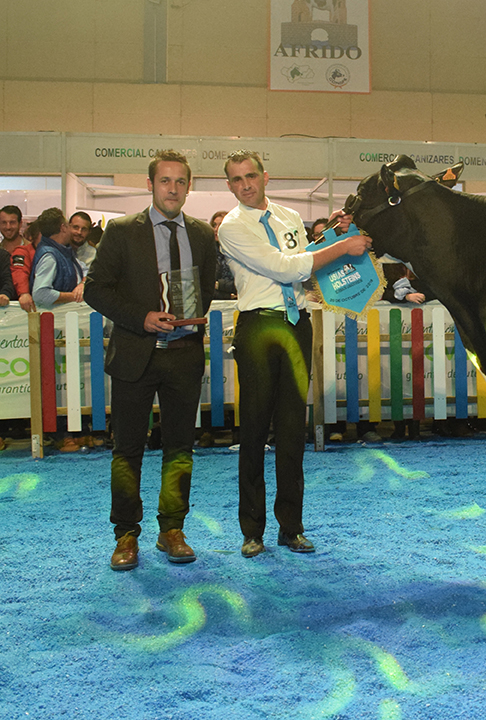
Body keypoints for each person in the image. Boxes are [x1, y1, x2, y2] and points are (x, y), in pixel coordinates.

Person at [217, 150, 372, 558]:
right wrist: (341, 249)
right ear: (229, 186)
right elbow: (286, 268)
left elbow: (306, 262)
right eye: (236, 180)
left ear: (266, 176)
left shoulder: (287, 217)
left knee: (291, 431)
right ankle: (252, 531)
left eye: (251, 175)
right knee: (253, 431)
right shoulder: (231, 227)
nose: (245, 184)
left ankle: (292, 528)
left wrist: (335, 237)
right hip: (258, 326)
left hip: (296, 322)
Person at [83, 150, 218, 572]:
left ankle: (172, 530)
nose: (173, 188)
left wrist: (189, 320)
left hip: (184, 357)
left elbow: (207, 285)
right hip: (134, 357)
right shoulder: (122, 232)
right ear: (150, 185)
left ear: (188, 187)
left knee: (180, 448)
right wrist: (141, 318)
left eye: (180, 181)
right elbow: (94, 290)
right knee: (127, 451)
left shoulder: (201, 234)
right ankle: (125, 535)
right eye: (165, 181)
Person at [30, 208, 85, 311]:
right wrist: (74, 296)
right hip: (54, 320)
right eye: (68, 225)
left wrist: (82, 284)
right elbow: (40, 294)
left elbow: (84, 271)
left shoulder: (63, 252)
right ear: (63, 227)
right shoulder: (49, 256)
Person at [11, 221, 40, 312]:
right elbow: (19, 271)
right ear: (33, 237)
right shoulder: (23, 252)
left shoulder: (60, 252)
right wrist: (24, 293)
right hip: (28, 302)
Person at [209, 210, 237, 299]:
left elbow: (244, 284)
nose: (216, 229)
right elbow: (206, 287)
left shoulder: (239, 252)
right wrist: (228, 296)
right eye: (214, 225)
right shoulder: (209, 253)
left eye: (220, 225)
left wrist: (219, 285)